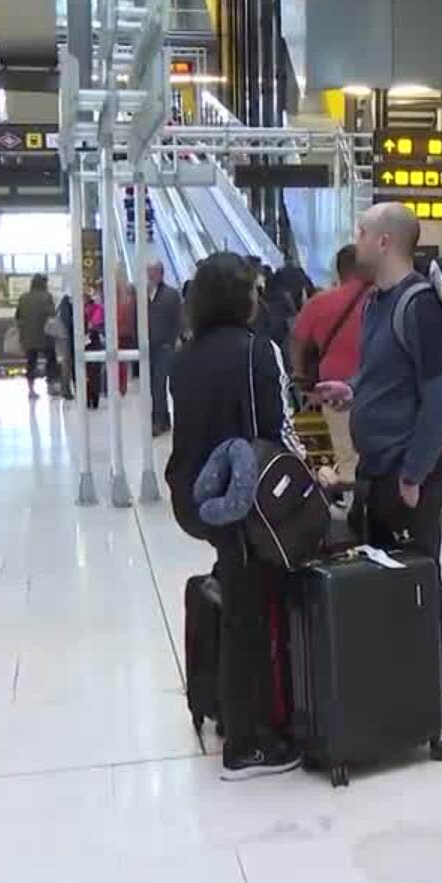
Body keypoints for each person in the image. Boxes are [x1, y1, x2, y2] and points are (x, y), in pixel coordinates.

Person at [312, 203, 442, 723]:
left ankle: (430, 694)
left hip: (407, 475)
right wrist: (349, 391)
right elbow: (386, 378)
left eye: (362, 232)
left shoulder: (421, 307)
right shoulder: (376, 303)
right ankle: (396, 684)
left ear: (384, 243)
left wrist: (415, 474)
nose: (355, 240)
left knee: (419, 579)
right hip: (377, 471)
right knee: (382, 581)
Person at [163, 251, 305, 780]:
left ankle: (228, 709)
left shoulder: (185, 357)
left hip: (198, 496)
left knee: (236, 589)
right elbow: (277, 429)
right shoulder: (256, 352)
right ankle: (247, 745)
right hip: (248, 499)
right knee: (249, 613)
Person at [289, 246, 370, 480]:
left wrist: (302, 376)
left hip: (333, 388)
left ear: (339, 269)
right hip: (377, 388)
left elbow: (297, 340)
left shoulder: (319, 303)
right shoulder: (380, 298)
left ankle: (354, 500)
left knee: (346, 454)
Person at [147, 262, 184, 437]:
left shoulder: (171, 295)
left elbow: (179, 318)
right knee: (153, 386)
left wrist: (176, 338)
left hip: (165, 346)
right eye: (149, 272)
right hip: (148, 347)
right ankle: (164, 419)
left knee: (159, 385)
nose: (150, 275)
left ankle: (158, 421)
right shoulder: (144, 294)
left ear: (161, 273)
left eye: (153, 272)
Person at [14, 274, 56, 396]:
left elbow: (17, 316)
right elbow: (52, 314)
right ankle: (51, 387)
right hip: (45, 335)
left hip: (27, 337)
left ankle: (31, 390)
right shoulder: (47, 297)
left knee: (31, 362)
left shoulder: (23, 298)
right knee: (51, 360)